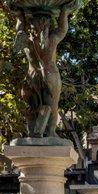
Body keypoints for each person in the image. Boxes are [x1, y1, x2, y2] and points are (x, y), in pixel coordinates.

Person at [14, 0, 78, 137]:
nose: (39, 26)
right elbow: (62, 29)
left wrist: (20, 15)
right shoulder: (52, 38)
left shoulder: (26, 40)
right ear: (49, 25)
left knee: (33, 107)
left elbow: (19, 29)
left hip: (34, 76)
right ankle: (49, 132)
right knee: (49, 106)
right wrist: (65, 12)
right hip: (48, 75)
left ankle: (40, 132)